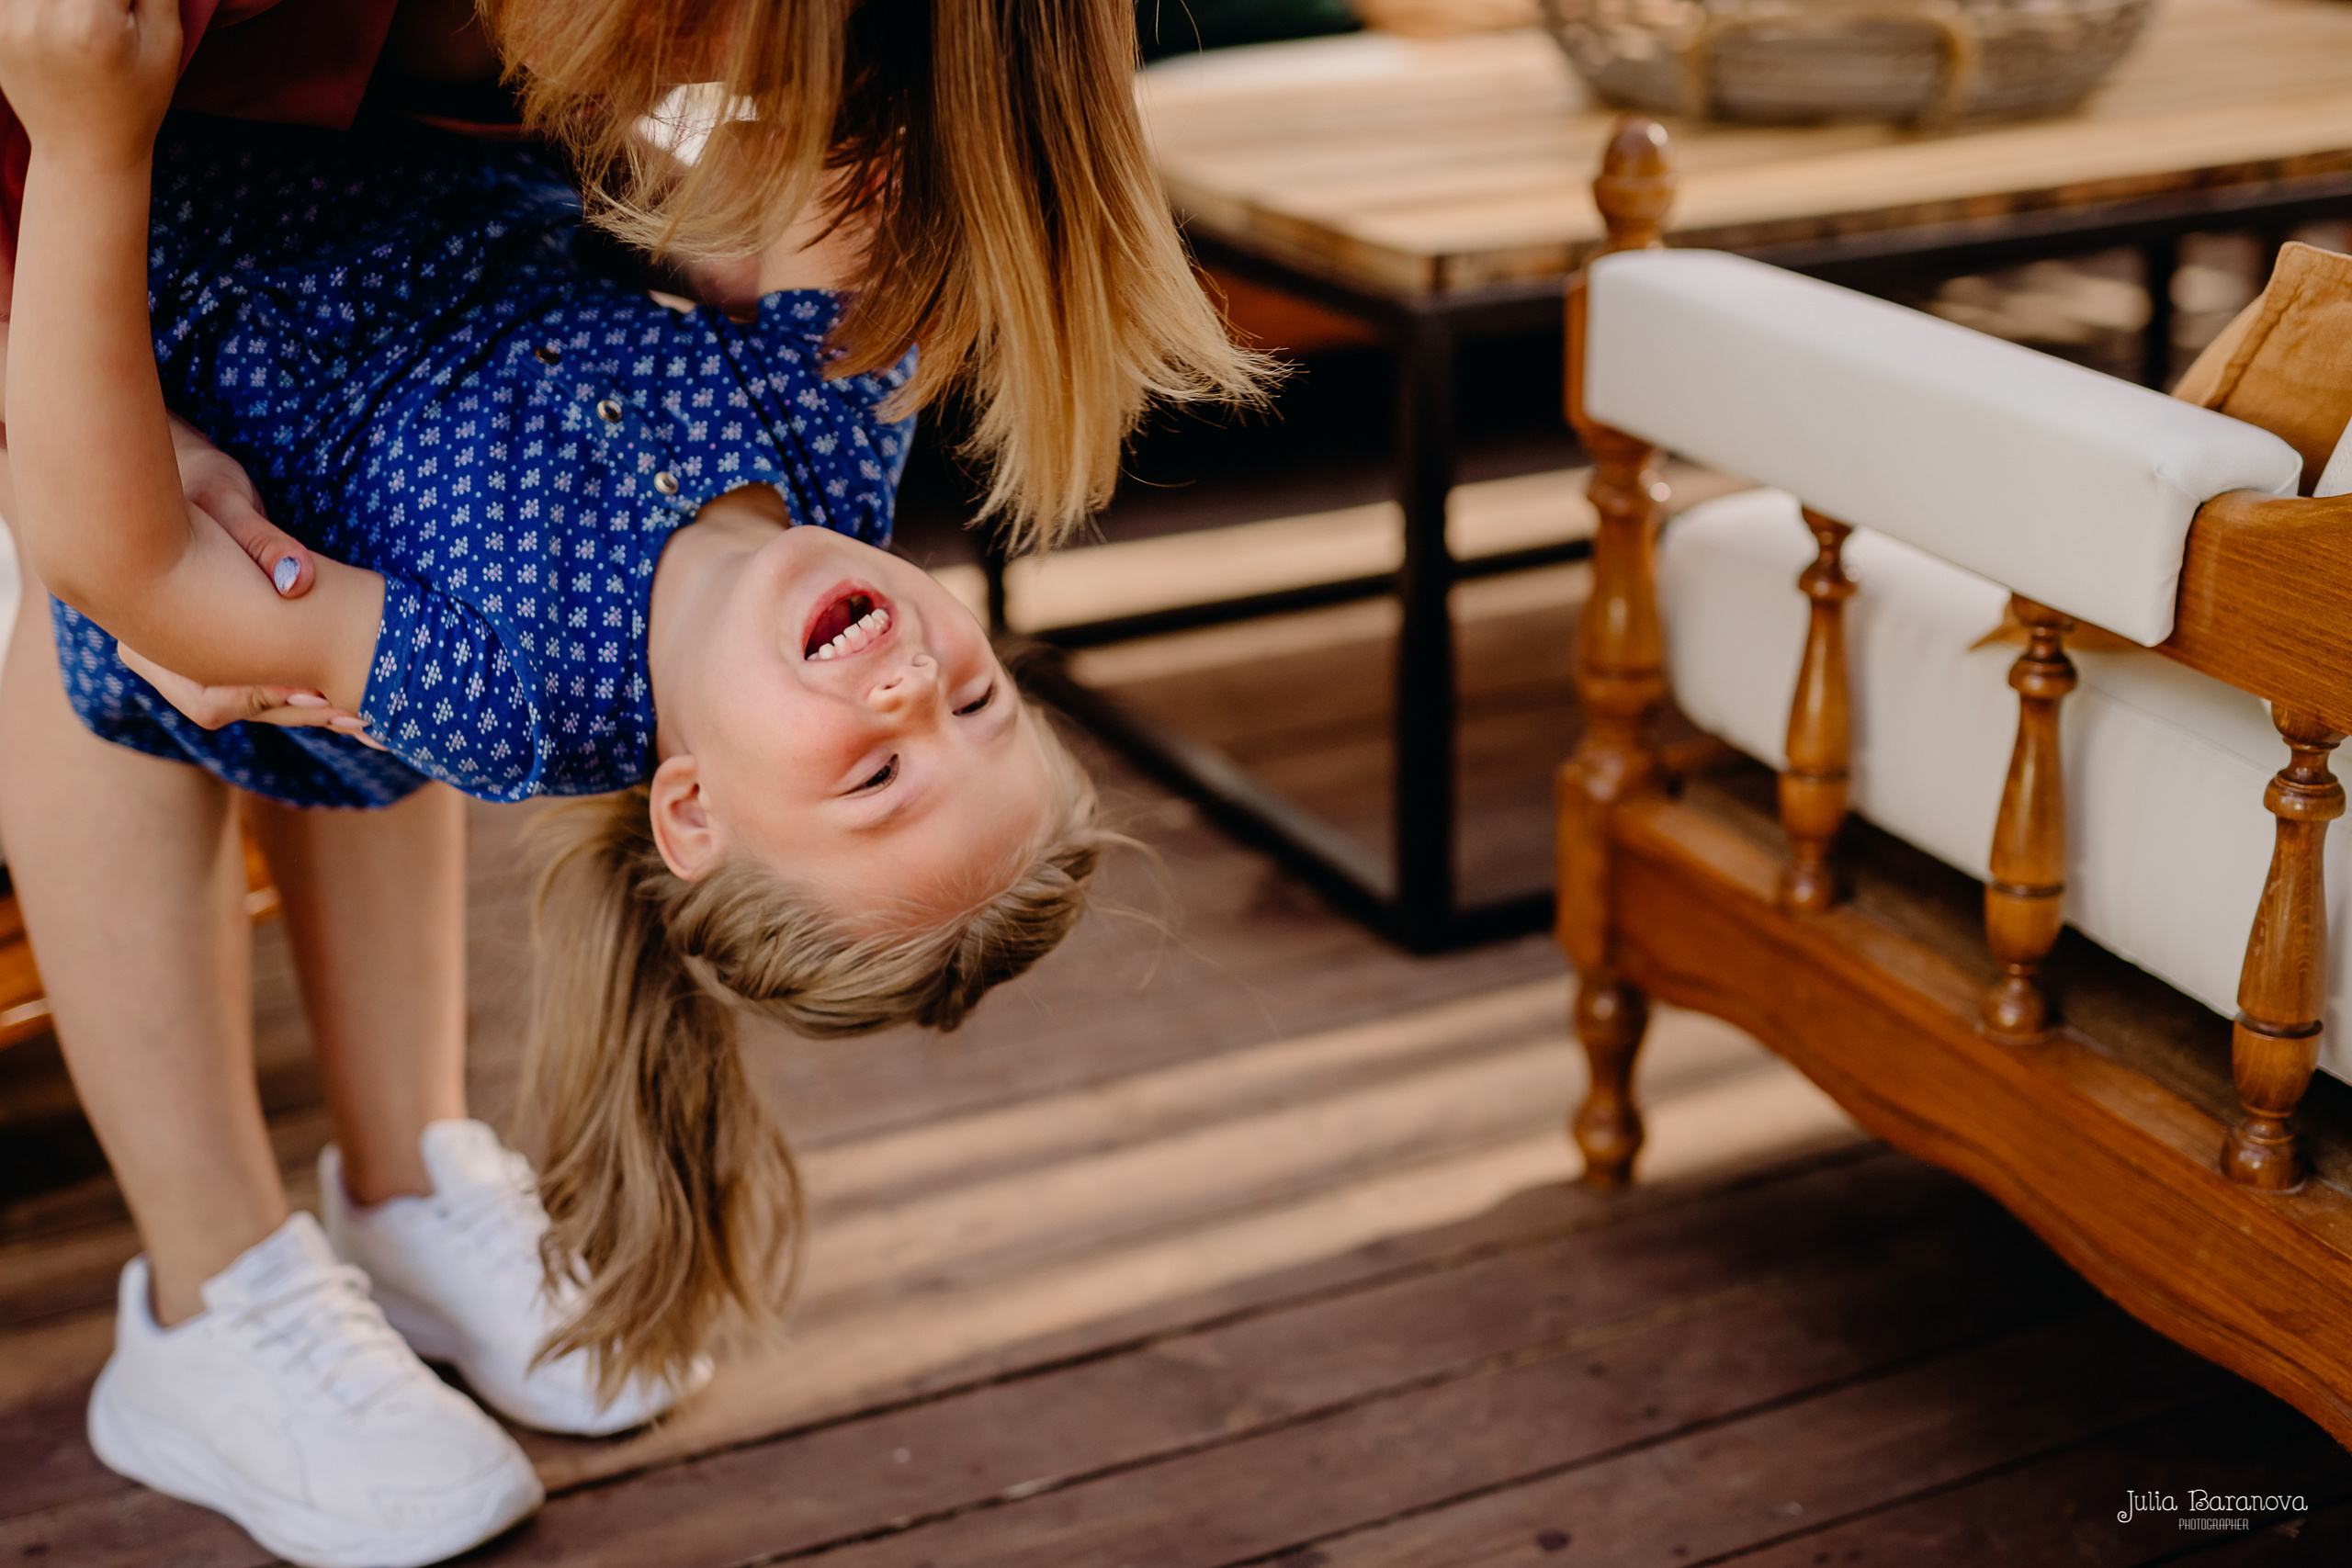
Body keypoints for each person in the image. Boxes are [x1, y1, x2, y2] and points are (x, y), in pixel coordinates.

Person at [0, 2, 1262, 1565]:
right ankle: (318, 1239)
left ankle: (291, 1263)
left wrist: (85, 145)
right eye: (980, 703)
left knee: (145, 698)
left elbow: (130, 566)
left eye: (876, 774)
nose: (910, 687)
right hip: (383, 147)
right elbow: (854, 160)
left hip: (137, 246)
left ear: (693, 814)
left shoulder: (507, 694)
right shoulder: (830, 450)